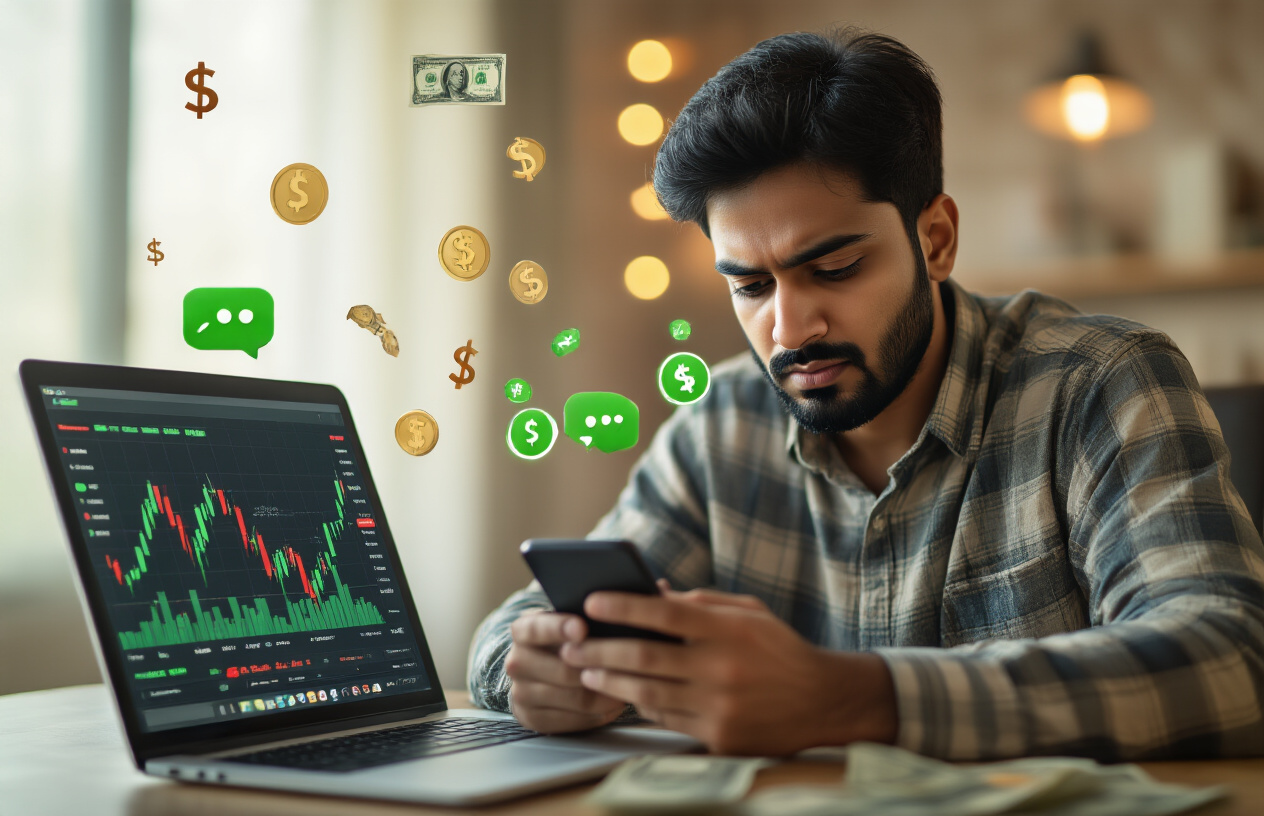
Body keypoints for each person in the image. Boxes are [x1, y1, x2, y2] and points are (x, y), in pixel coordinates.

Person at [467, 28, 1264, 760]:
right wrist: (535, 668)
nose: (790, 327)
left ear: (936, 239)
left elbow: (1230, 657)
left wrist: (846, 698)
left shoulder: (1099, 382)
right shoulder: (721, 425)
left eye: (836, 269)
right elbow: (509, 632)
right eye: (749, 286)